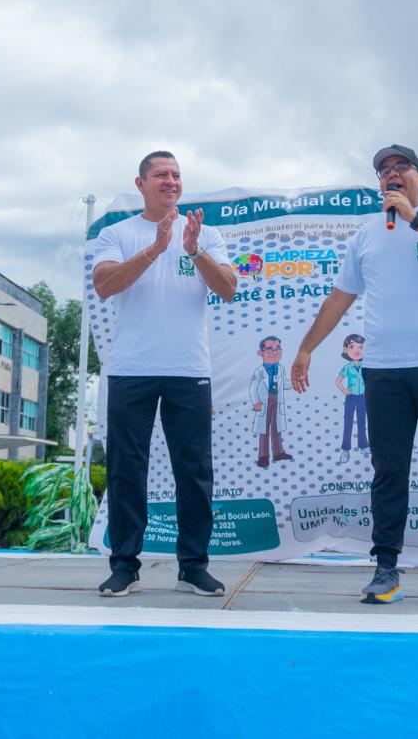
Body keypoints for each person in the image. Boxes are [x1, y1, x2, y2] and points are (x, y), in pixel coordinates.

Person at [291, 144, 418, 607]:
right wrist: (305, 348)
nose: (391, 175)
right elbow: (339, 298)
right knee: (389, 471)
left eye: (401, 168)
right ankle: (385, 568)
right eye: (384, 172)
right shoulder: (366, 235)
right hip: (383, 369)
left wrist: (415, 219)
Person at [92, 150, 238, 598]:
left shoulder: (206, 234)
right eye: (161, 175)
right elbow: (105, 284)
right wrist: (155, 249)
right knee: (126, 471)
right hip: (131, 368)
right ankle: (124, 566)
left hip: (188, 369)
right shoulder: (117, 234)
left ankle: (193, 566)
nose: (170, 181)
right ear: (141, 184)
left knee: (194, 472)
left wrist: (193, 251)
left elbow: (228, 289)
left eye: (176, 175)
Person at [250, 335, 293, 468]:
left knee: (276, 428)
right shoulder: (259, 371)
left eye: (278, 349)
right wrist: (256, 402)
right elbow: (253, 388)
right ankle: (263, 456)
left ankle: (278, 452)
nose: (274, 353)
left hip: (277, 400)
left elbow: (285, 384)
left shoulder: (281, 369)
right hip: (264, 402)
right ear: (261, 353)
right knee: (264, 429)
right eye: (269, 349)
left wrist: (296, 380)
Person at [335, 333, 368, 464]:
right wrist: (344, 390)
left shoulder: (365, 365)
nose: (357, 350)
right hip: (351, 397)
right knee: (348, 422)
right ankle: (345, 449)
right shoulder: (347, 367)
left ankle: (363, 445)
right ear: (346, 350)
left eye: (361, 347)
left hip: (362, 397)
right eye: (352, 347)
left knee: (362, 422)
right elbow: (338, 381)